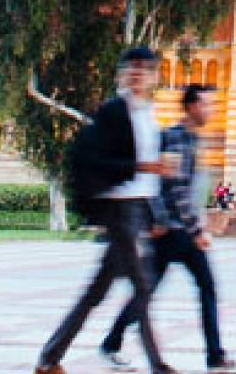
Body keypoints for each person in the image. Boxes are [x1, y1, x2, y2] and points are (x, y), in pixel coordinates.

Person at [36, 46, 176, 374]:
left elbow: (149, 177)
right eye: (132, 67)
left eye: (145, 68)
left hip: (137, 209)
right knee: (142, 285)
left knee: (97, 292)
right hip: (118, 208)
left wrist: (155, 213)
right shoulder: (113, 111)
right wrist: (143, 166)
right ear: (122, 74)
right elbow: (98, 161)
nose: (138, 72)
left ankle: (50, 357)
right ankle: (158, 366)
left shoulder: (149, 114)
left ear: (154, 76)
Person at [102, 85, 236, 371]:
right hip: (174, 231)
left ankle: (112, 341)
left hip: (174, 230)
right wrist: (195, 230)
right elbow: (175, 189)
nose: (211, 110)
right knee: (202, 287)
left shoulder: (190, 138)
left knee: (151, 289)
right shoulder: (176, 138)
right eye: (207, 104)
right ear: (192, 106)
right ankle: (214, 355)